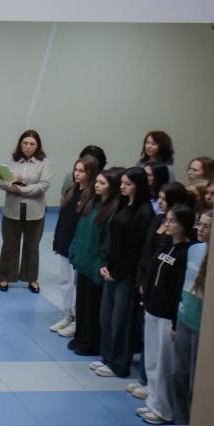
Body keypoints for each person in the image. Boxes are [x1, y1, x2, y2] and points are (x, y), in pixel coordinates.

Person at [93, 167, 154, 378]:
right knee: (106, 317)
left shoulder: (145, 212)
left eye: (128, 184)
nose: (123, 187)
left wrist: (117, 272)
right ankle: (107, 357)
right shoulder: (122, 204)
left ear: (139, 185)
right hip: (111, 269)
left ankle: (119, 364)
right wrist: (105, 263)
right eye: (122, 183)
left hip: (126, 275)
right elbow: (113, 238)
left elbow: (136, 249)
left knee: (122, 320)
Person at [137, 204, 194, 425]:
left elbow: (179, 287)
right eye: (166, 220)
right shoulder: (165, 246)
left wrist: (175, 321)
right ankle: (153, 400)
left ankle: (164, 409)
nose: (167, 224)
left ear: (185, 225)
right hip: (152, 309)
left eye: (173, 221)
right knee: (151, 357)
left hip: (166, 315)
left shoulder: (186, 253)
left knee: (164, 362)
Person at [69, 169, 121, 356]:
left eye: (102, 183)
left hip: (94, 266)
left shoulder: (113, 209)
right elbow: (80, 230)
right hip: (83, 262)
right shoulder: (92, 203)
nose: (97, 185)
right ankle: (80, 337)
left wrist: (98, 265)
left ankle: (90, 342)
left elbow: (106, 242)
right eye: (97, 182)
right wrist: (74, 251)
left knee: (92, 307)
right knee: (81, 305)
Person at [0, 130, 52, 293]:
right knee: (9, 244)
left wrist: (23, 191)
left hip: (35, 210)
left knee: (32, 246)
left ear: (38, 146)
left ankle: (31, 278)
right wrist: (9, 186)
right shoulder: (12, 160)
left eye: (32, 144)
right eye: (25, 143)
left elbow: (44, 185)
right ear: (20, 144)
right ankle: (5, 277)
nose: (28, 147)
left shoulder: (44, 163)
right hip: (12, 208)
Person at [50, 155, 100, 337]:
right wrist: (57, 241)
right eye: (76, 170)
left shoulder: (92, 196)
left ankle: (79, 318)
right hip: (65, 244)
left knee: (76, 282)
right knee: (65, 281)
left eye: (82, 171)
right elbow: (63, 219)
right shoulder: (72, 190)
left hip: (78, 247)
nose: (77, 174)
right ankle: (68, 314)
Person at [170, 210, 210, 424]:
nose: (201, 230)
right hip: (185, 319)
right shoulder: (194, 250)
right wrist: (176, 322)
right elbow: (184, 287)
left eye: (207, 226)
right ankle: (179, 424)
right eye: (200, 224)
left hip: (201, 325)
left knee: (195, 383)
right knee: (178, 375)